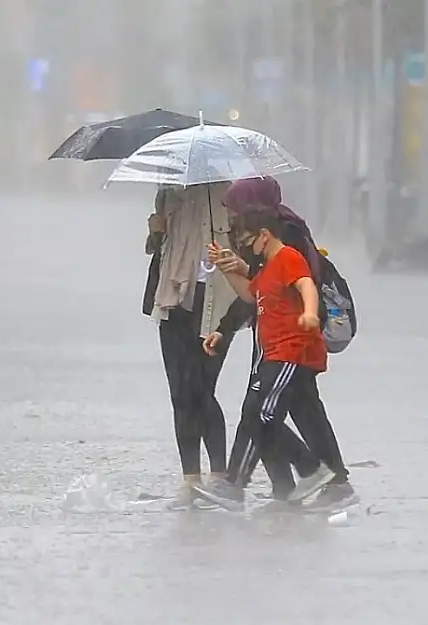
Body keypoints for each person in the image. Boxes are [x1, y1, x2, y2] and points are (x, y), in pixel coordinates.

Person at [205, 176, 358, 511]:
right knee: (301, 413)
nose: (232, 220)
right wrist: (226, 323)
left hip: (291, 343)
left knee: (260, 413)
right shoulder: (270, 233)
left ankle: (257, 481)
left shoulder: (283, 236)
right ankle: (309, 484)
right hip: (278, 340)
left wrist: (308, 315)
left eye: (235, 211)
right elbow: (258, 288)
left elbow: (297, 283)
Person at [143, 182, 238, 510]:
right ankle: (190, 480)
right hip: (172, 299)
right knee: (180, 392)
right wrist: (156, 231)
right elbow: (157, 248)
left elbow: (245, 248)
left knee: (201, 389)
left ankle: (219, 476)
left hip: (216, 302)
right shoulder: (167, 191)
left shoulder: (227, 193)